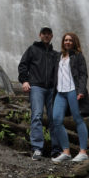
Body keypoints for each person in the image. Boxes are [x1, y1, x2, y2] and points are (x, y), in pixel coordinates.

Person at [18, 27, 61, 161]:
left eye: (49, 34)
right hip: (36, 86)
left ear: (52, 36)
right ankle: (37, 148)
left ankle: (56, 151)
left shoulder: (55, 54)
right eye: (44, 34)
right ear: (40, 35)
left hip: (52, 89)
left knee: (54, 118)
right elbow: (23, 65)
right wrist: (24, 80)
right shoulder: (32, 49)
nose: (46, 36)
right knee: (37, 116)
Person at [52, 32, 89, 163]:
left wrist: (81, 91)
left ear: (74, 42)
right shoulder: (59, 56)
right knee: (56, 120)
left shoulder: (78, 56)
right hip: (60, 92)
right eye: (65, 40)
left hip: (73, 91)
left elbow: (83, 74)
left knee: (78, 119)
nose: (67, 42)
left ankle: (83, 152)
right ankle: (66, 152)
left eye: (70, 40)